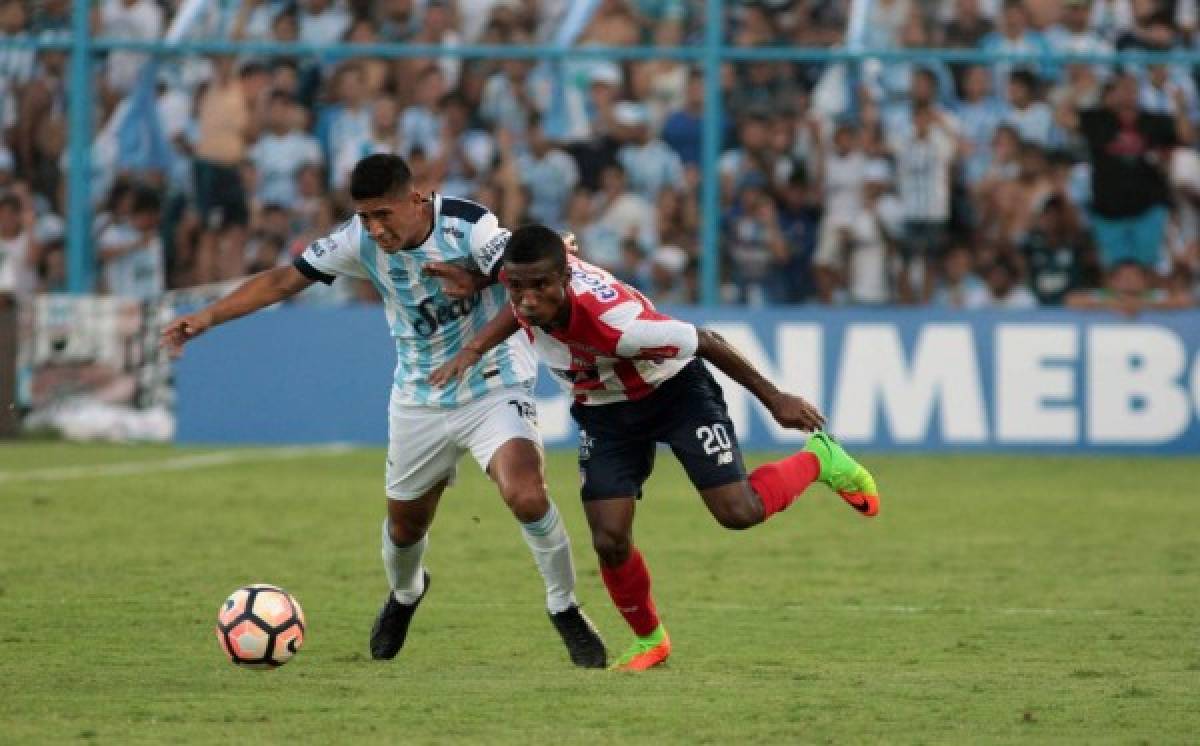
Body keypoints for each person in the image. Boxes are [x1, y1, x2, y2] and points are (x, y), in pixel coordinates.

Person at [161, 154, 606, 668]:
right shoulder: (355, 240)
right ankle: (405, 594)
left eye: (383, 215)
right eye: (365, 216)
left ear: (415, 200)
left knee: (526, 494)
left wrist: (485, 276)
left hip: (493, 382)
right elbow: (285, 280)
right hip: (419, 397)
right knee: (405, 529)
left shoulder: (470, 224)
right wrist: (207, 318)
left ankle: (564, 607)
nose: (374, 228)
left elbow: (530, 268)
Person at [428, 225, 881, 671]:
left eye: (540, 286)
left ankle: (821, 459)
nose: (527, 300)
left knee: (737, 512)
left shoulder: (619, 325)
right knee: (609, 538)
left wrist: (774, 397)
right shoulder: (532, 287)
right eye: (517, 288)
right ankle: (650, 640)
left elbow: (706, 340)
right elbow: (523, 297)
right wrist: (474, 347)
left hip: (674, 393)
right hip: (604, 411)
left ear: (565, 280)